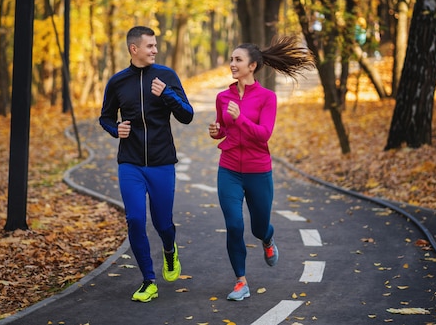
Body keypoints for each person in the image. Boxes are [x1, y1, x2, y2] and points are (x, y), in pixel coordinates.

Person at [208, 35, 315, 301]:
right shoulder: (223, 97)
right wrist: (216, 131)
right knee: (234, 225)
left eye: (237, 60)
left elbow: (263, 134)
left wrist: (239, 118)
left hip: (258, 171)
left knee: (258, 227)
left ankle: (267, 238)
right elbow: (224, 129)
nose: (232, 64)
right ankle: (240, 282)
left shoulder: (267, 98)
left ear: (252, 66)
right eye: (232, 59)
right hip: (229, 169)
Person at [100, 26, 194, 302]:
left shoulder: (166, 76)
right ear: (134, 49)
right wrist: (116, 130)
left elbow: (187, 115)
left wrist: (167, 94)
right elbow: (105, 117)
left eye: (155, 45)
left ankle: (169, 250)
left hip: (162, 162)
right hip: (130, 163)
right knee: (135, 219)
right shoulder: (117, 82)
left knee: (162, 223)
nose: (155, 50)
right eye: (150, 46)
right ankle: (148, 281)